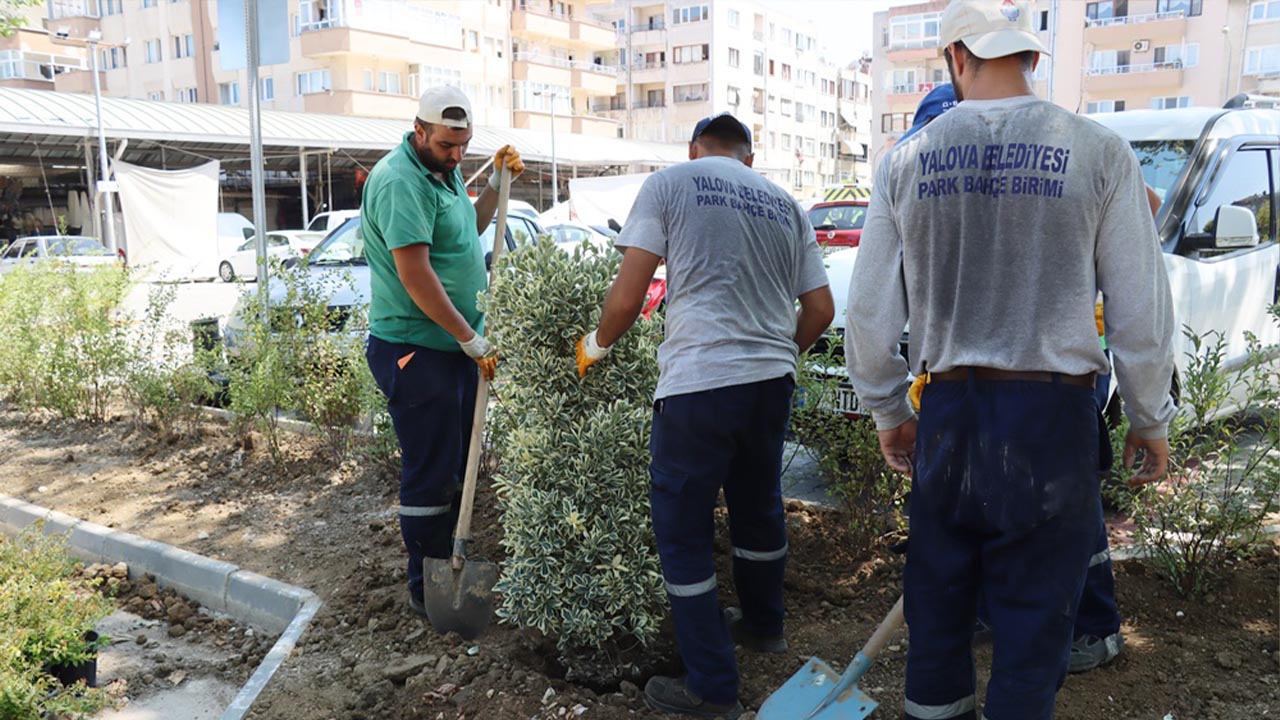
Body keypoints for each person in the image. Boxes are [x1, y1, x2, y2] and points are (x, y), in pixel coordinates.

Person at [845, 1, 1177, 718]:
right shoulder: (1097, 151)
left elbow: (870, 318)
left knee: (937, 617)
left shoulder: (906, 162)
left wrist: (888, 411)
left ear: (955, 60)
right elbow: (1139, 310)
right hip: (1051, 422)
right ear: (1028, 59)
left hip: (950, 418)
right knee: (1032, 633)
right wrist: (1150, 418)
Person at [576, 112, 834, 718]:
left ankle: (712, 688)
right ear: (749, 158)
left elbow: (630, 292)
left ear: (695, 149)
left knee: (683, 529)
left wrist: (597, 343)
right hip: (771, 384)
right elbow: (819, 309)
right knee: (757, 505)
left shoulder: (670, 183)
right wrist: (778, 353)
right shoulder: (786, 204)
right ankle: (765, 627)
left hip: (699, 385)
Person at [902, 82, 1132, 675]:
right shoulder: (1085, 152)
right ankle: (1005, 611)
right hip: (1030, 389)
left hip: (1038, 380)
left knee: (1063, 529)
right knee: (1038, 532)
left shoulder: (924, 164)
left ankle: (1096, 621)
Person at [361, 85, 524, 619]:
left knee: (454, 461)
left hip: (452, 348)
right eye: (448, 145)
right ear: (419, 133)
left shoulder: (442, 172)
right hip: (416, 349)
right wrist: (469, 337)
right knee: (430, 468)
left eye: (466, 146)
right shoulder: (399, 181)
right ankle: (425, 584)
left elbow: (464, 234)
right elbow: (416, 275)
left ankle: (445, 562)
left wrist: (495, 186)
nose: (458, 157)